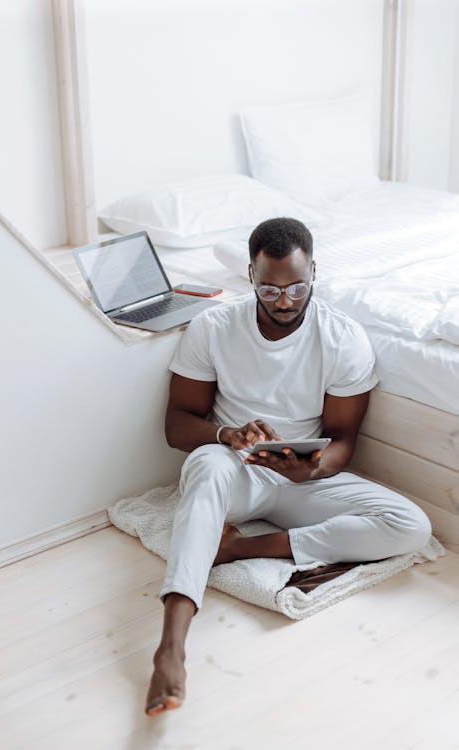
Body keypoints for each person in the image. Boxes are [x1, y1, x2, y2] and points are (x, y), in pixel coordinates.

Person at [145, 217, 432, 717]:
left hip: (301, 479)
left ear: (315, 272)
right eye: (270, 288)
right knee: (209, 467)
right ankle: (171, 646)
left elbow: (344, 441)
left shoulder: (343, 338)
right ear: (250, 277)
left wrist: (314, 470)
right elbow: (177, 425)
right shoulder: (213, 327)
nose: (284, 300)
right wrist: (226, 435)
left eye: (297, 286)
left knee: (411, 526)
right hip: (233, 467)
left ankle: (240, 547)